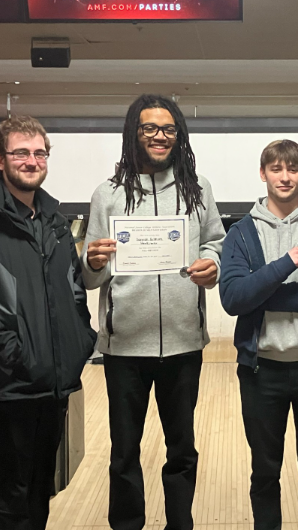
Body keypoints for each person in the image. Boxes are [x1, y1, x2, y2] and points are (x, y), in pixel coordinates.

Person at [0, 115, 97, 530]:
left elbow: (74, 290)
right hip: (11, 387)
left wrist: (79, 342)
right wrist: (14, 355)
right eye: (21, 152)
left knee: (40, 490)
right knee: (11, 501)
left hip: (54, 382)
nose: (31, 160)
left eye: (39, 152)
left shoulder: (56, 224)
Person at [81, 94, 225, 530]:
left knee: (182, 448)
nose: (160, 136)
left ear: (178, 135)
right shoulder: (107, 195)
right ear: (134, 133)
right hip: (125, 346)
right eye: (149, 128)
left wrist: (212, 265)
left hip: (183, 342)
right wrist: (92, 262)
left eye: (168, 129)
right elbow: (90, 277)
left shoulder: (197, 190)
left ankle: (180, 524)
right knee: (124, 450)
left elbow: (214, 242)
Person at [220, 140, 298, 530]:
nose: (285, 176)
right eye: (276, 169)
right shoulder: (241, 233)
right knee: (264, 473)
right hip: (262, 372)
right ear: (263, 174)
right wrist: (282, 266)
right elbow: (232, 298)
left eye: (293, 169)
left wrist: (260, 293)